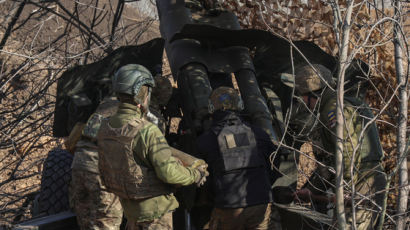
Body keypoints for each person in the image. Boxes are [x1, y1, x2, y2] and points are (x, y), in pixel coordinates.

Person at [97, 64, 208, 230]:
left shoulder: (105, 127)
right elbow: (168, 173)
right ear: (143, 94)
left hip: (132, 213)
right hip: (155, 216)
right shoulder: (147, 130)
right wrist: (194, 175)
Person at [290, 64, 387, 229]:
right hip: (371, 178)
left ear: (310, 94)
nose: (305, 104)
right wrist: (314, 191)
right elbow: (331, 162)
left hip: (360, 182)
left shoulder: (333, 109)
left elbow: (347, 148)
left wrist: (346, 187)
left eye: (302, 97)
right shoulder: (350, 102)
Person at [196, 87, 281, 230]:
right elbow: (275, 164)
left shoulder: (206, 140)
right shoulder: (258, 133)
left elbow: (201, 178)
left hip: (228, 206)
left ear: (211, 107)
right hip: (260, 203)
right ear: (240, 104)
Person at [68, 97, 123, 230]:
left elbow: (70, 144)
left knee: (86, 222)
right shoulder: (130, 111)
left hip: (78, 165)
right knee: (107, 221)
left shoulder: (103, 107)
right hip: (99, 169)